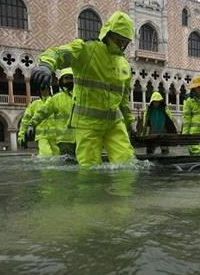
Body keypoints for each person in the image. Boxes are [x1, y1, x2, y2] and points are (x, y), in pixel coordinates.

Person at [31, 11, 135, 168]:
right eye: (118, 39)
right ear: (107, 33)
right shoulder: (87, 49)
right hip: (88, 125)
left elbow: (124, 100)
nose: (121, 44)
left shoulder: (124, 64)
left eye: (124, 41)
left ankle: (124, 192)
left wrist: (129, 124)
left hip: (114, 123)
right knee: (89, 168)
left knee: (127, 164)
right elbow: (58, 53)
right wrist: (46, 66)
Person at [29, 68, 76, 159]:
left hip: (81, 136)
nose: (69, 80)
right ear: (61, 81)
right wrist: (32, 124)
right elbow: (42, 112)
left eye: (71, 78)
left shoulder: (81, 96)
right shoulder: (56, 98)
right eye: (66, 78)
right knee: (68, 164)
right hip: (64, 139)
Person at [17, 86, 58, 157]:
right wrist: (21, 135)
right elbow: (25, 121)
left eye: (46, 89)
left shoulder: (55, 102)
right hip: (41, 136)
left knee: (57, 157)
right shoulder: (34, 105)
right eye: (42, 89)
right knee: (46, 155)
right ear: (39, 91)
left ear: (49, 90)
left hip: (55, 137)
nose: (45, 91)